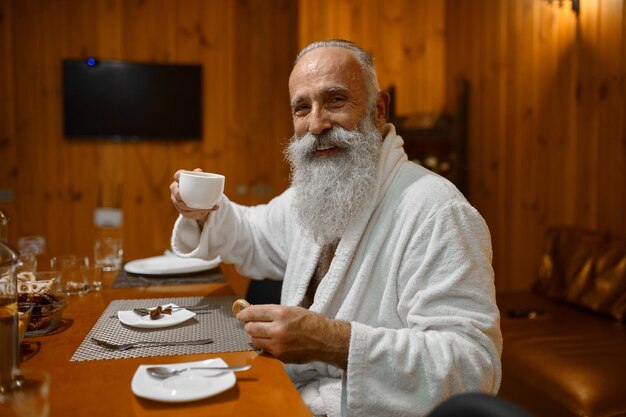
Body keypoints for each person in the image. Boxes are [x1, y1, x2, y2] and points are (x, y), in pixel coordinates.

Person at [170, 39, 502, 417]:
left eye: (335, 100)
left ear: (378, 110)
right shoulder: (312, 196)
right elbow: (252, 234)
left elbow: (473, 368)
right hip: (289, 395)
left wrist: (333, 341)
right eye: (302, 108)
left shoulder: (435, 209)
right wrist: (203, 211)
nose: (316, 124)